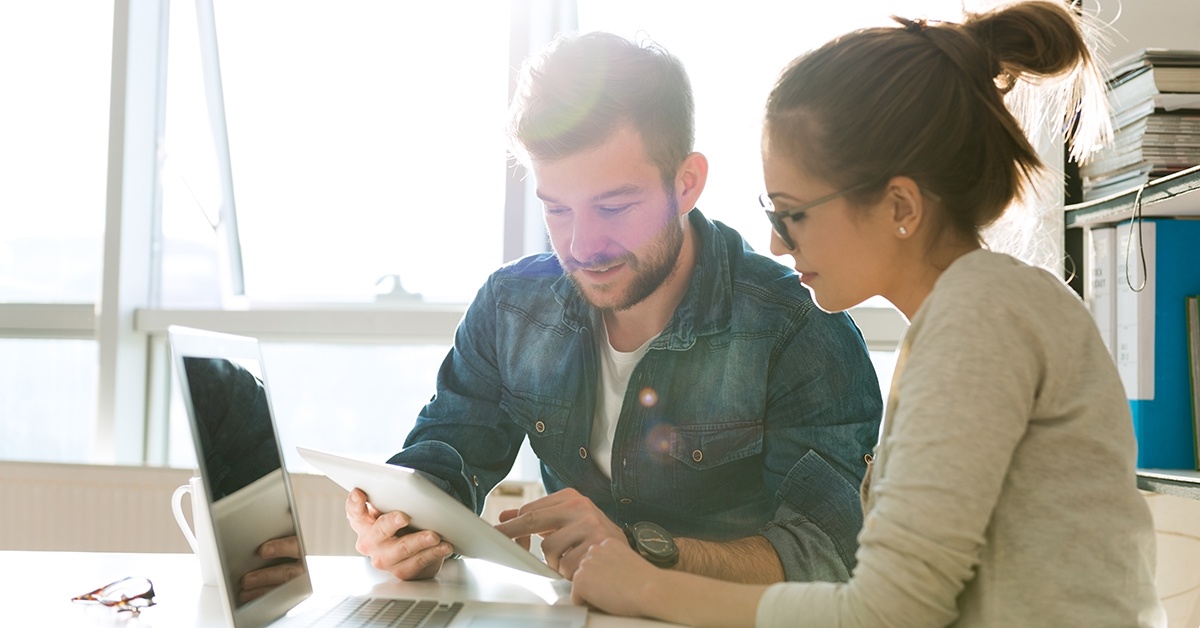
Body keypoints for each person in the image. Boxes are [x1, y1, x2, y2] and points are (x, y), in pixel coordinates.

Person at [569, 3, 1166, 626]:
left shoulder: (981, 319)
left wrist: (646, 589)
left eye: (791, 212)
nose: (776, 242)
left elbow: (888, 612)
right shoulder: (969, 313)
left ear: (900, 205)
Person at [344, 31, 884, 585]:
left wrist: (638, 552)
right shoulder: (511, 308)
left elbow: (826, 557)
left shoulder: (798, 329)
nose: (581, 247)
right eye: (557, 210)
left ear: (687, 183)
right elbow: (446, 454)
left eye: (614, 206)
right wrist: (402, 526)